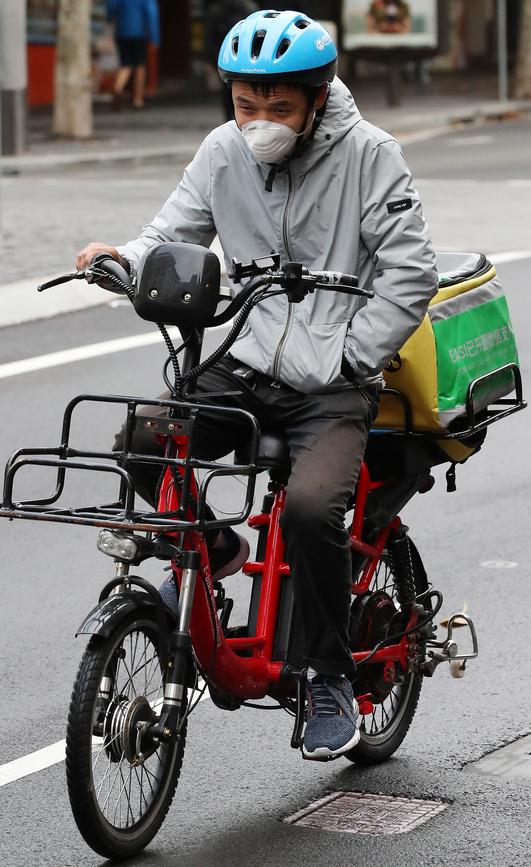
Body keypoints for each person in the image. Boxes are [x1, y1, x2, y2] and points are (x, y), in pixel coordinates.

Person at [76, 9, 437, 761]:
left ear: (314, 98)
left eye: (278, 107)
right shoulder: (221, 151)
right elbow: (171, 235)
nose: (259, 121)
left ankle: (330, 678)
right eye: (245, 104)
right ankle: (215, 549)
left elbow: (411, 276)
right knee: (143, 441)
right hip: (243, 360)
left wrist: (350, 358)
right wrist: (124, 257)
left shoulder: (372, 155)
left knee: (310, 507)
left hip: (332, 381)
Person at [107, 0, 160, 109]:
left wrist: (113, 19)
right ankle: (137, 99)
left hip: (122, 32)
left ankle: (118, 88)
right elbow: (152, 15)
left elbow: (111, 9)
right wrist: (154, 37)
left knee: (125, 65)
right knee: (140, 66)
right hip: (139, 33)